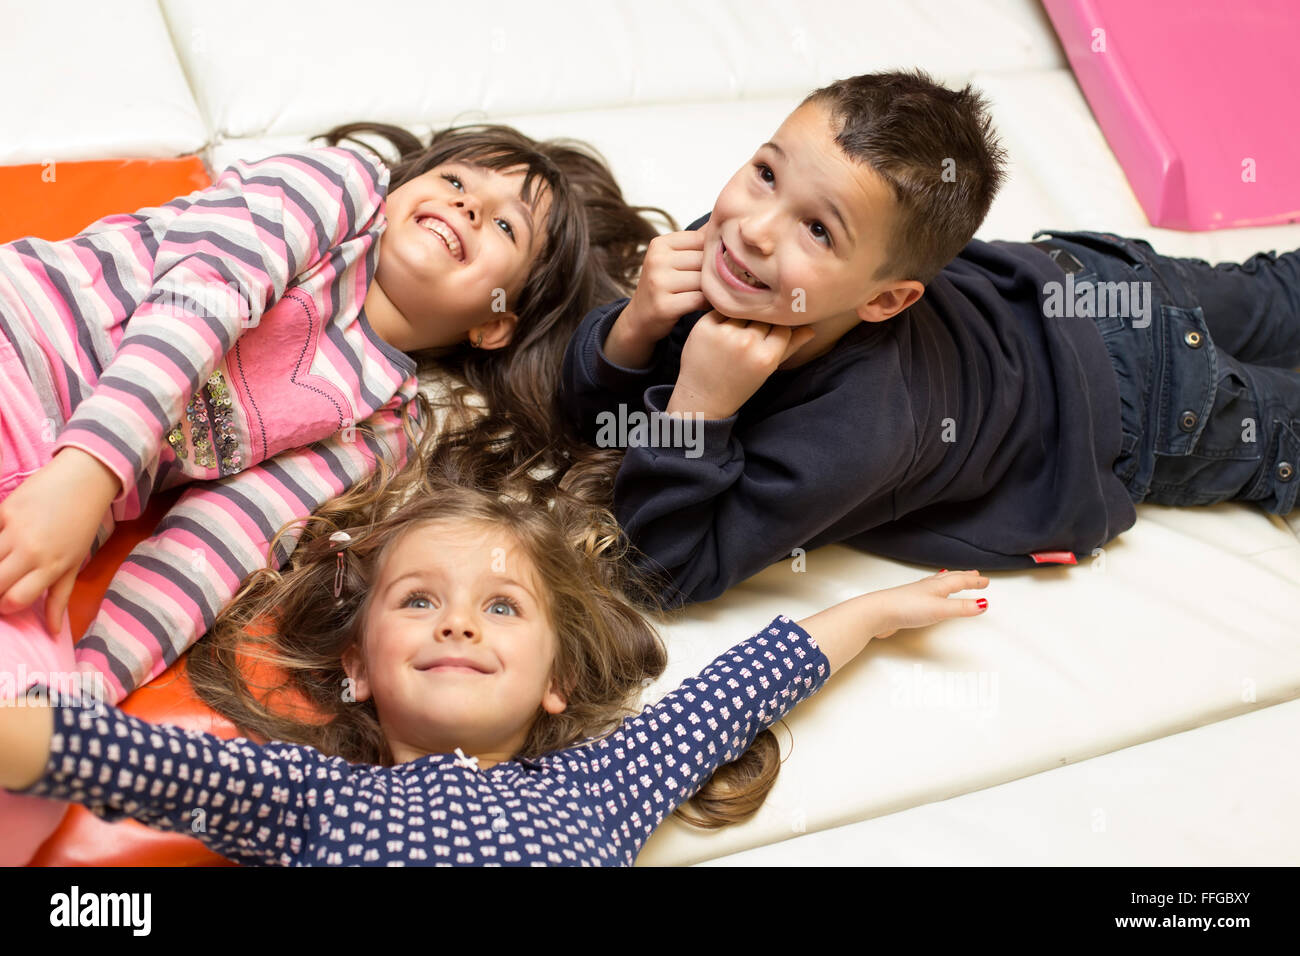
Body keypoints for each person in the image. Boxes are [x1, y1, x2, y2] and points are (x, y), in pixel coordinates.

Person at [0, 121, 664, 864]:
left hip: (36, 491)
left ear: (495, 323)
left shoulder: (388, 428)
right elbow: (200, 300)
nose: (471, 205)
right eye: (455, 180)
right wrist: (90, 470)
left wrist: (83, 706)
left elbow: (216, 545)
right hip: (19, 359)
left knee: (25, 789)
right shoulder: (335, 187)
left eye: (506, 223)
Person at [0, 435, 990, 866]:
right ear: (356, 666)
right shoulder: (306, 796)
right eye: (420, 598)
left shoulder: (602, 782)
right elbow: (118, 756)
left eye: (502, 607)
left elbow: (732, 691)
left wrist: (872, 612)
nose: (459, 622)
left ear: (559, 681)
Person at [559, 68, 1300, 608]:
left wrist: (699, 411)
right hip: (1081, 278)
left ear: (886, 299)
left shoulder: (860, 426)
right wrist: (634, 327)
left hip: (1151, 406)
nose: (753, 228)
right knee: (1274, 292)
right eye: (764, 173)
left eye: (818, 229)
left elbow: (660, 569)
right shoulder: (735, 254)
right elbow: (581, 416)